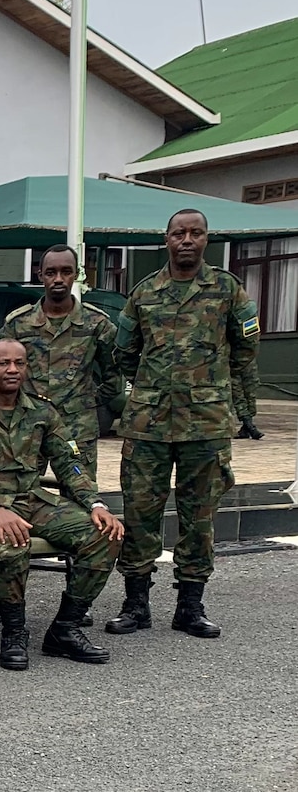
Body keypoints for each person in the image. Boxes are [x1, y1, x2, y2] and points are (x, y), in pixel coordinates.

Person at [106, 209, 260, 639]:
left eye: (196, 233)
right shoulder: (143, 293)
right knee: (139, 514)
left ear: (207, 239)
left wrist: (244, 411)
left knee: (200, 516)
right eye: (179, 233)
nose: (187, 240)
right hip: (149, 424)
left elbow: (246, 353)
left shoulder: (228, 289)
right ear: (167, 240)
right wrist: (155, 386)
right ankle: (135, 604)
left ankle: (190, 606)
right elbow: (125, 352)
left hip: (206, 424)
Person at [0, 339, 125, 671]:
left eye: (19, 363)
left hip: (33, 500)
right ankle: (14, 632)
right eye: (3, 364)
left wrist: (95, 503)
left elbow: (70, 464)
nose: (12, 370)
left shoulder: (43, 411)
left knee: (105, 534)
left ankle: (64, 629)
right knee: (10, 542)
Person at [2, 245, 120, 481]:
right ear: (40, 275)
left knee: (81, 498)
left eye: (66, 271)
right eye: (51, 272)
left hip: (76, 429)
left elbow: (114, 376)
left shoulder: (96, 323)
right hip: (27, 427)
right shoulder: (19, 324)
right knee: (20, 498)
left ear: (77, 274)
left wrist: (83, 402)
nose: (58, 279)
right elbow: (0, 373)